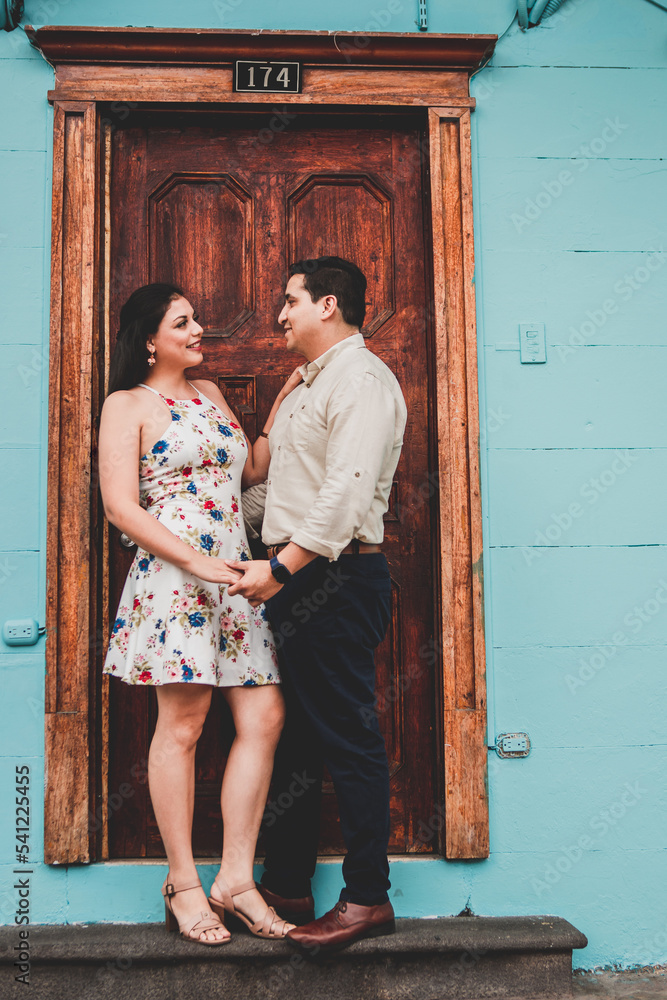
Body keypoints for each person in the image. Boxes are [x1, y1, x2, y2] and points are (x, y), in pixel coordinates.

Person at [99, 283, 301, 945]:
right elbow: (120, 509)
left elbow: (246, 476)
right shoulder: (126, 405)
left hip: (236, 579)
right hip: (175, 582)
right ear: (149, 339)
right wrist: (201, 562)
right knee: (182, 726)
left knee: (264, 714)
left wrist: (279, 407)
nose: (198, 328)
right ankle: (183, 881)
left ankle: (235, 879)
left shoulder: (211, 396)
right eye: (182, 322)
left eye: (195, 319)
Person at [226, 256, 407, 953]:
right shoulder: (305, 386)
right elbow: (284, 496)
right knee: (297, 737)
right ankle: (289, 883)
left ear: (327, 305)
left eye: (290, 302)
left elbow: (347, 492)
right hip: (298, 576)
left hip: (334, 579)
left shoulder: (361, 379)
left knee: (347, 737)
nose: (279, 314)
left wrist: (281, 566)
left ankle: (367, 897)